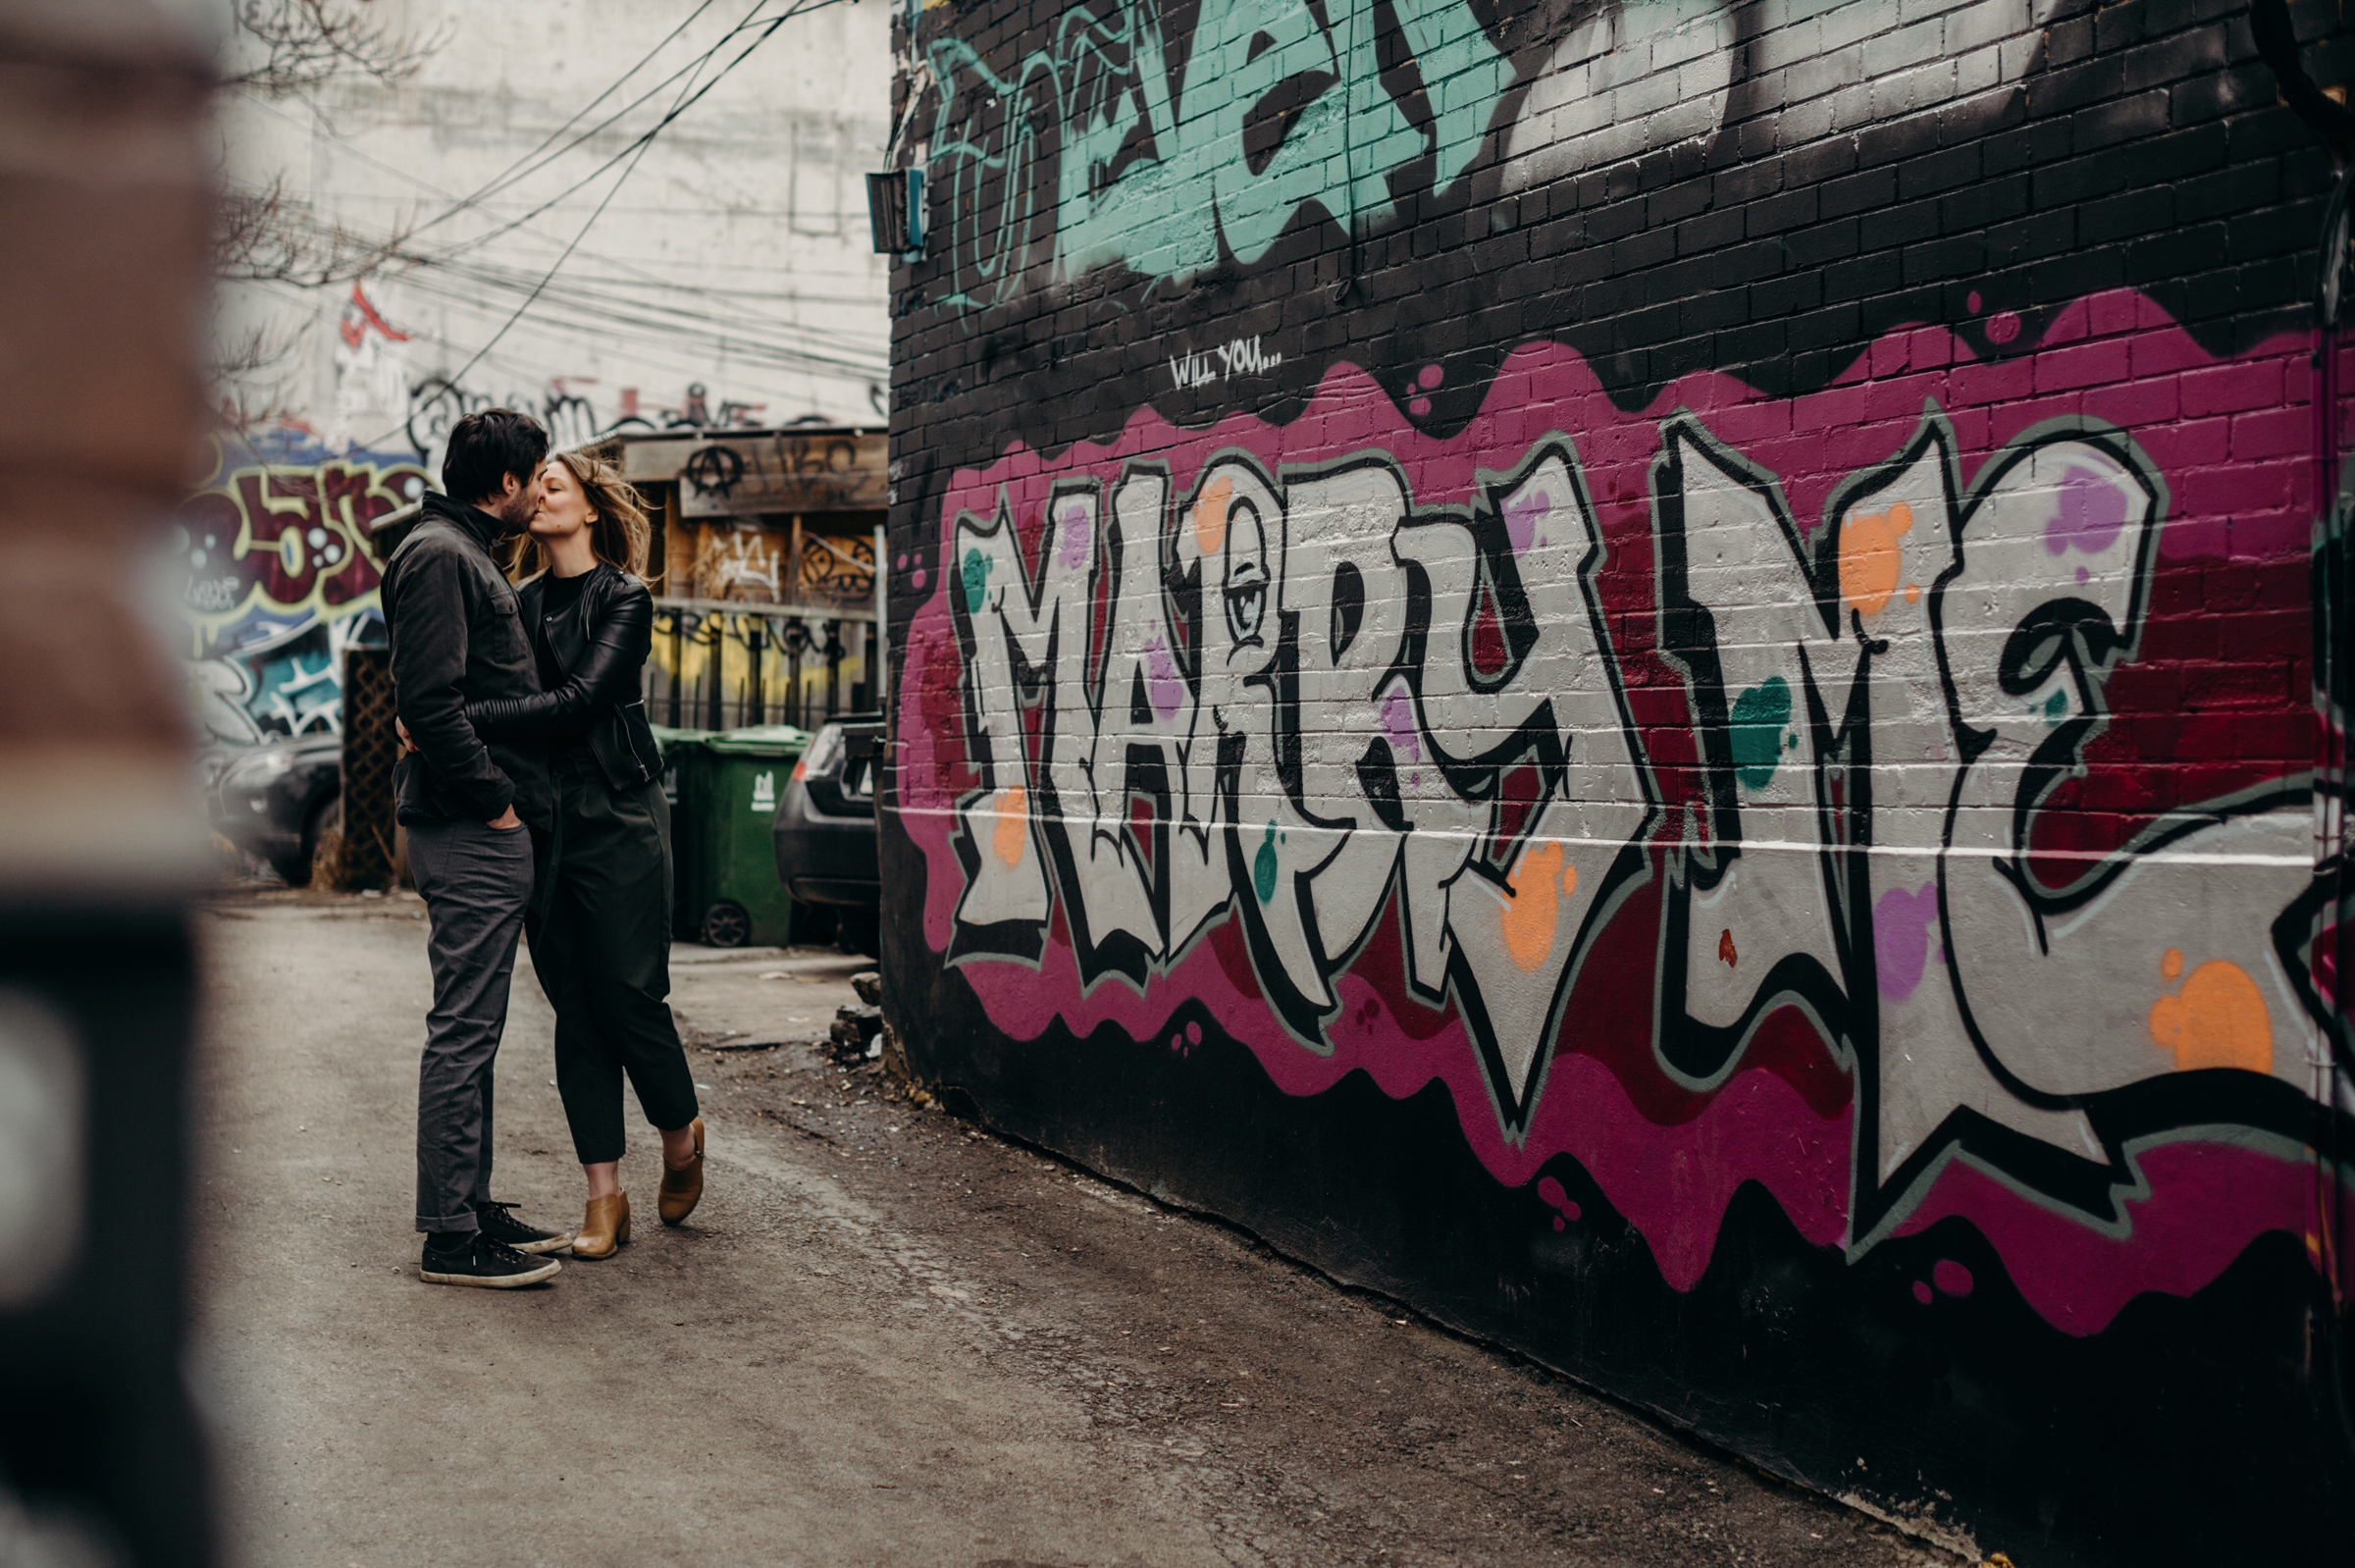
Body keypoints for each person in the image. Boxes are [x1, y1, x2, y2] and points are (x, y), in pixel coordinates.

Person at [462, 449, 705, 1259]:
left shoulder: (623, 597)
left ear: (590, 508)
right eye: (534, 487)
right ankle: (604, 1198)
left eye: (554, 485)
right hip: (545, 819)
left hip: (619, 809)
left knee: (629, 994)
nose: (539, 495)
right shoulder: (517, 603)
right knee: (575, 1005)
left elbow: (577, 703)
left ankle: (680, 1132)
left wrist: (466, 720)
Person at [382, 408, 573, 1289]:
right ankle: (450, 1239)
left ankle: (473, 1203)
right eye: (536, 474)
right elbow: (430, 703)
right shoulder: (440, 557)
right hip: (468, 831)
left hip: (480, 827)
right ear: (502, 483)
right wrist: (496, 804)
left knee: (479, 1030)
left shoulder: (463, 553)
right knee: (463, 1031)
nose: (542, 487)